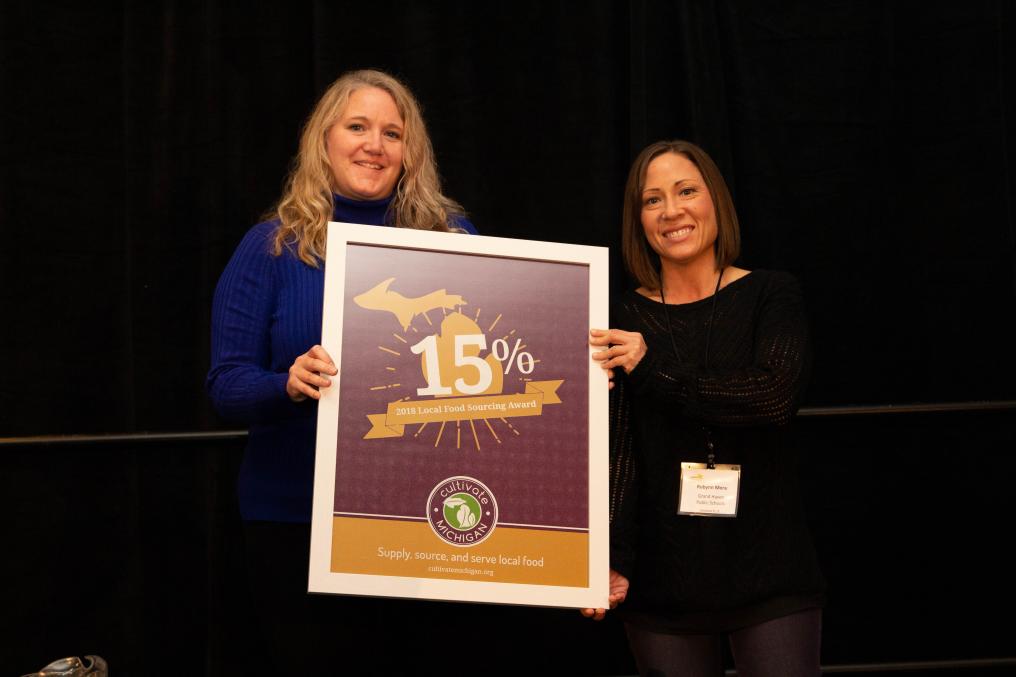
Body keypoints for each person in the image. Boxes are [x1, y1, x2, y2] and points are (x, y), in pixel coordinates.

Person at [206, 69, 476, 672]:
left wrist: (578, 352)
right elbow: (225, 385)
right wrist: (288, 384)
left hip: (425, 517)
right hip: (295, 520)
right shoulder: (273, 246)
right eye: (357, 126)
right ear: (323, 139)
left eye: (392, 132)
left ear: (411, 152)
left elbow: (502, 344)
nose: (374, 145)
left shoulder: (454, 239)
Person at [586, 140, 825, 676]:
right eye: (652, 200)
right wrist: (612, 557)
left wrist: (653, 371)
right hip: (661, 582)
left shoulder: (771, 294)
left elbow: (773, 397)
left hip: (770, 573)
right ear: (638, 219)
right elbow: (618, 450)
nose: (672, 211)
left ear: (715, 199)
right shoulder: (618, 314)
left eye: (686, 191)